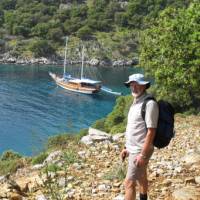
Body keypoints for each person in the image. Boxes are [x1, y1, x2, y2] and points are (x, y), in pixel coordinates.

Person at [120, 73, 159, 200]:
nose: (134, 88)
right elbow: (133, 128)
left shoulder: (149, 104)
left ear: (144, 86)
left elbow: (151, 131)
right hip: (132, 148)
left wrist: (142, 154)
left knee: (129, 183)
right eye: (132, 85)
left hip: (140, 149)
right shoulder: (135, 102)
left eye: (137, 85)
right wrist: (126, 147)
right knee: (142, 177)